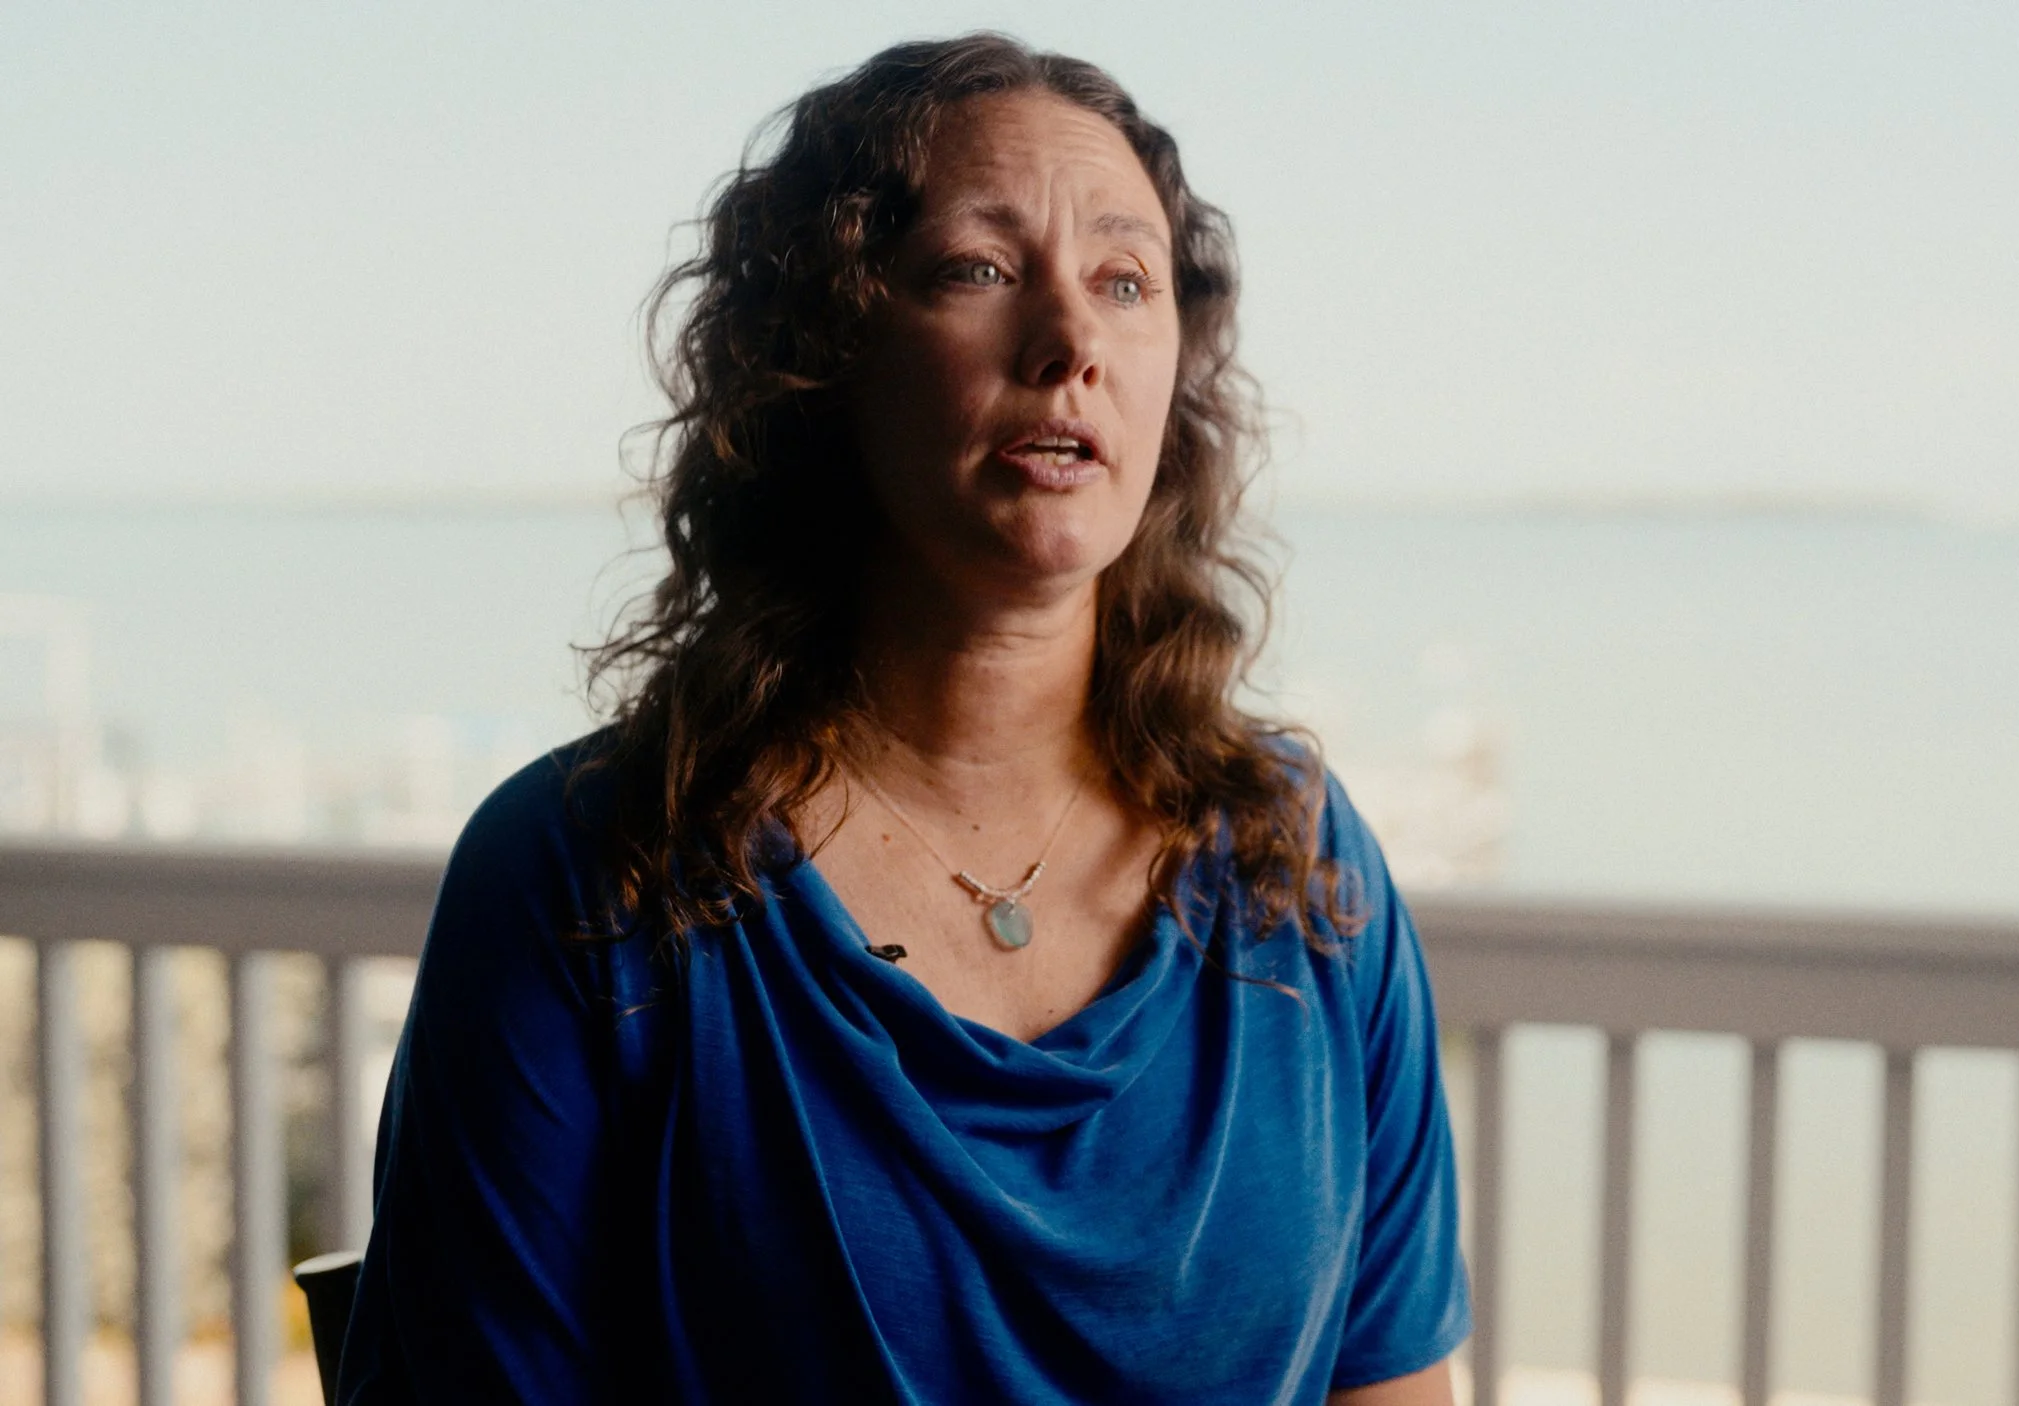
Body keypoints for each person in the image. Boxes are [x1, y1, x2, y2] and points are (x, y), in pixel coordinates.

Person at [336, 32, 1471, 1405]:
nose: (1070, 347)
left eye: (1126, 280)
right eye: (977, 270)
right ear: (819, 357)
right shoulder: (587, 878)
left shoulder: (1302, 867)